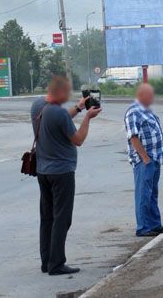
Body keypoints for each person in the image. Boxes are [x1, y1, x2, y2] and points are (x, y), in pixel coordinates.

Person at [31, 76, 101, 276]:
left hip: (43, 171)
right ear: (60, 92)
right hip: (61, 172)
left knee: (47, 218)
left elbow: (58, 121)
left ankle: (47, 262)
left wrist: (78, 108)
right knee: (62, 218)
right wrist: (87, 117)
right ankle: (57, 264)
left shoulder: (37, 106)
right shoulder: (59, 114)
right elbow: (78, 139)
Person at [124, 83, 163, 237]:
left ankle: (155, 224)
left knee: (152, 193)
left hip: (155, 158)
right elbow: (133, 137)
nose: (152, 98)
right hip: (145, 160)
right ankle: (143, 227)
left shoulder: (147, 111)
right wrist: (145, 158)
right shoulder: (133, 112)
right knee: (143, 193)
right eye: (149, 95)